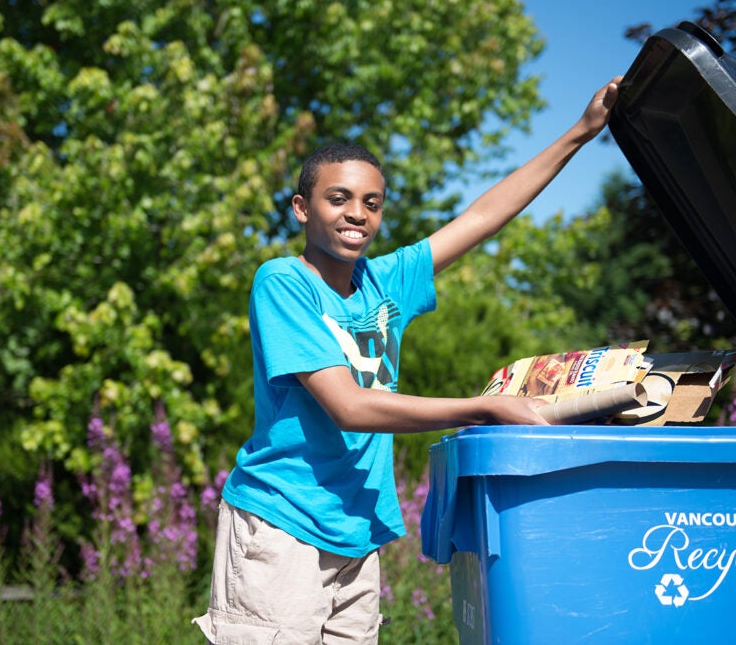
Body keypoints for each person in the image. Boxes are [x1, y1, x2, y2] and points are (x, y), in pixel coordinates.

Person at [193, 76, 622, 644]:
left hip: (356, 530)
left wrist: (582, 132)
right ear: (302, 208)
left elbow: (483, 216)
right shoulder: (283, 283)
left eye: (371, 203)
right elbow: (349, 406)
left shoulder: (385, 283)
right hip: (280, 525)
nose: (357, 214)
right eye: (338, 198)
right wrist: (485, 408)